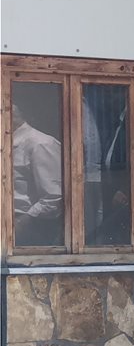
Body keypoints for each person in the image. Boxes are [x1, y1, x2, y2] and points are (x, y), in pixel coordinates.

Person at [11, 103, 63, 246]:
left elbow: (54, 196)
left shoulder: (41, 144)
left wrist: (21, 223)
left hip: (30, 227)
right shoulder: (6, 143)